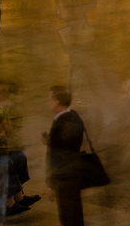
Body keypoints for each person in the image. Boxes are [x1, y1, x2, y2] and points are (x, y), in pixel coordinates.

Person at [44, 86, 89, 226]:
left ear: (57, 102)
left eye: (49, 99)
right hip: (74, 175)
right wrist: (51, 141)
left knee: (68, 218)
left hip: (65, 179)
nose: (47, 101)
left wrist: (51, 185)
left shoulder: (61, 122)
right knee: (75, 215)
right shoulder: (74, 116)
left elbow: (58, 156)